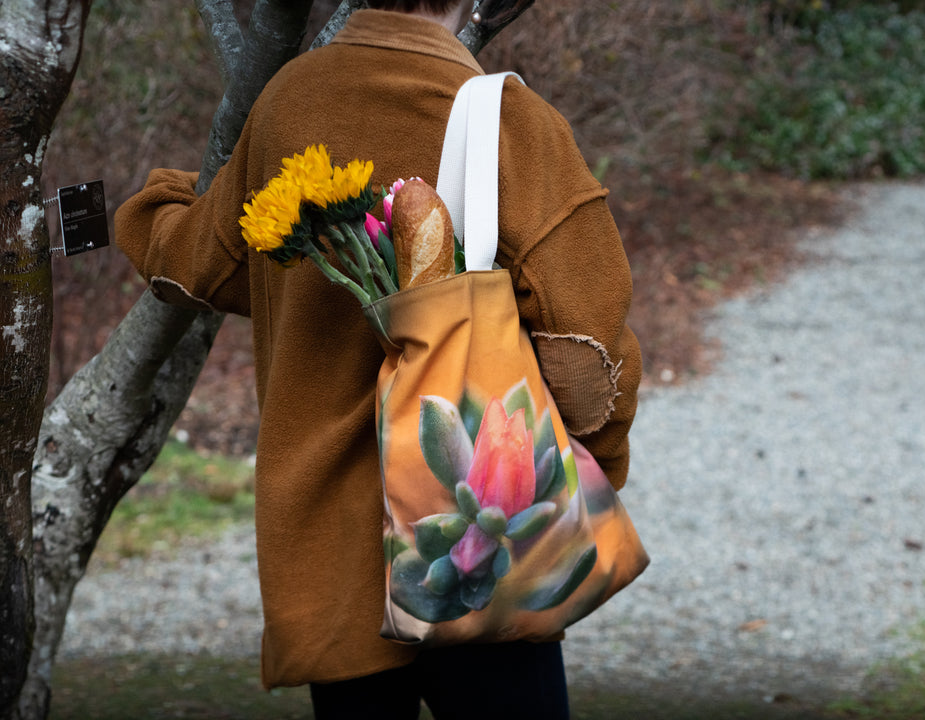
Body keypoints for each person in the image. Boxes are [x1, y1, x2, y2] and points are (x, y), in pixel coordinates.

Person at [115, 1, 641, 717]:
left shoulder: (288, 104)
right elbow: (589, 365)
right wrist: (589, 478)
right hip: (481, 551)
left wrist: (154, 204)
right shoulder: (513, 125)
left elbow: (202, 268)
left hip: (331, 554)